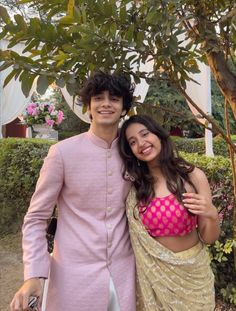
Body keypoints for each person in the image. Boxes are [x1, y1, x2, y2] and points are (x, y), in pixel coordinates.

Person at [10, 71, 136, 311]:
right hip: (73, 277)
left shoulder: (134, 153)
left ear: (123, 107)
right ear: (88, 105)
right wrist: (33, 274)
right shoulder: (63, 153)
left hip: (124, 275)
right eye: (98, 98)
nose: (106, 104)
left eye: (115, 98)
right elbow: (36, 218)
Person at [118, 114, 220, 311]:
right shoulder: (135, 188)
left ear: (158, 135)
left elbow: (208, 238)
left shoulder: (193, 177)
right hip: (153, 279)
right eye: (133, 142)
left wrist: (212, 214)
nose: (141, 143)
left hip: (193, 276)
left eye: (145, 134)